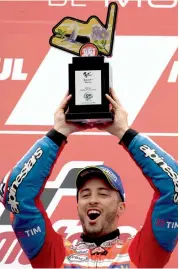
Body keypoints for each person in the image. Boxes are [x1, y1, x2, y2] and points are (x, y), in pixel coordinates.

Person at [0, 89, 178, 268]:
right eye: (85, 194)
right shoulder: (54, 255)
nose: (92, 200)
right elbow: (15, 194)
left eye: (103, 193)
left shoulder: (143, 253)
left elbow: (175, 186)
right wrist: (59, 133)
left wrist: (124, 132)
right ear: (78, 206)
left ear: (121, 207)